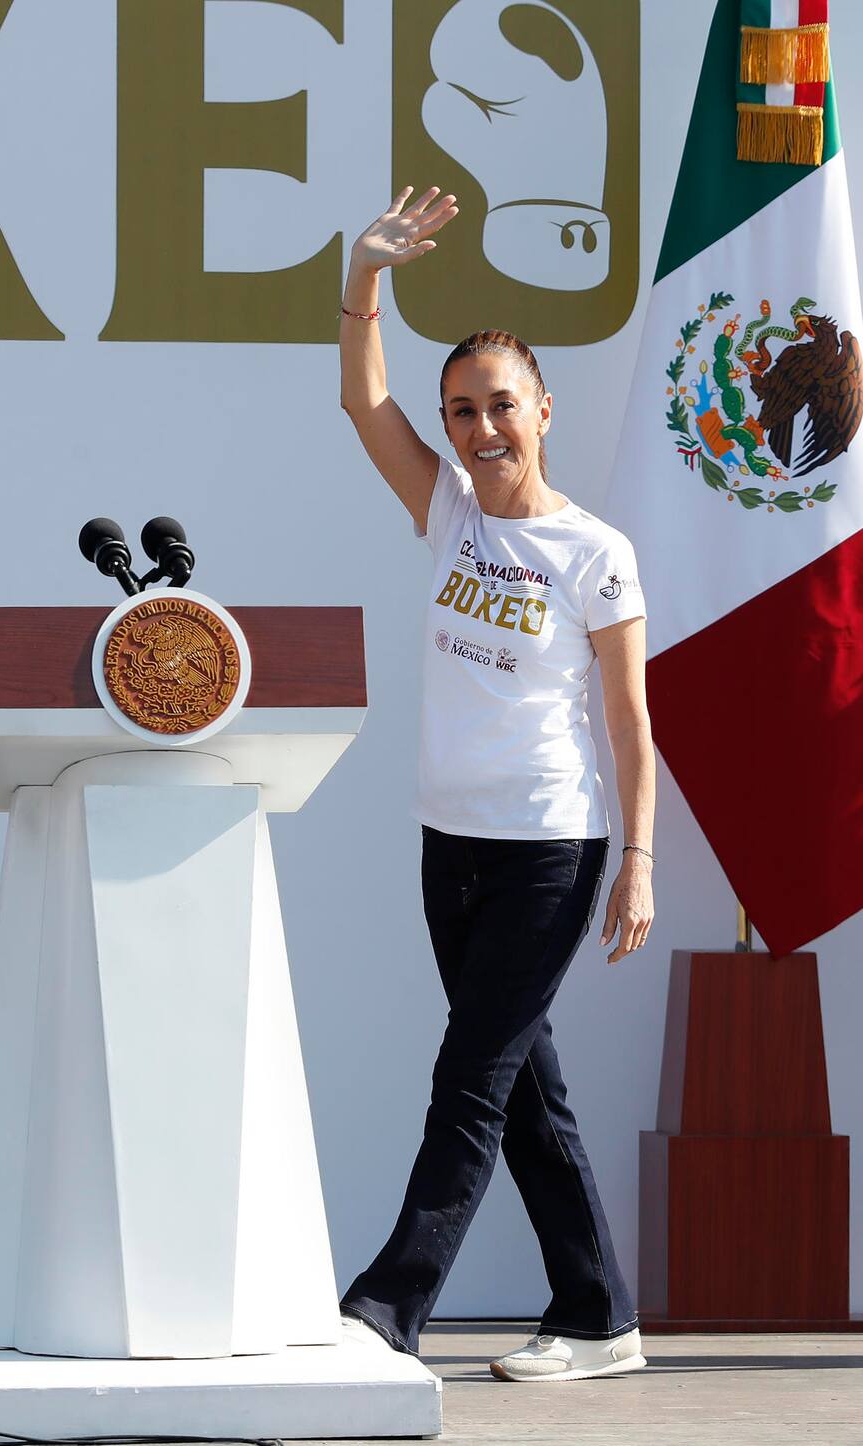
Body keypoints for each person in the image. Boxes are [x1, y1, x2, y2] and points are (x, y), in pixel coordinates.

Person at [336, 186, 655, 1384]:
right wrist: (365, 280)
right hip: (448, 844)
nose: (480, 428)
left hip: (549, 851)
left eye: (500, 406)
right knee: (521, 1086)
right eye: (461, 410)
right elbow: (363, 398)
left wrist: (639, 860)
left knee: (469, 1080)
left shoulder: (595, 552)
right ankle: (597, 1313)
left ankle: (385, 1306)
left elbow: (629, 721)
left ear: (543, 409)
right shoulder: (448, 514)